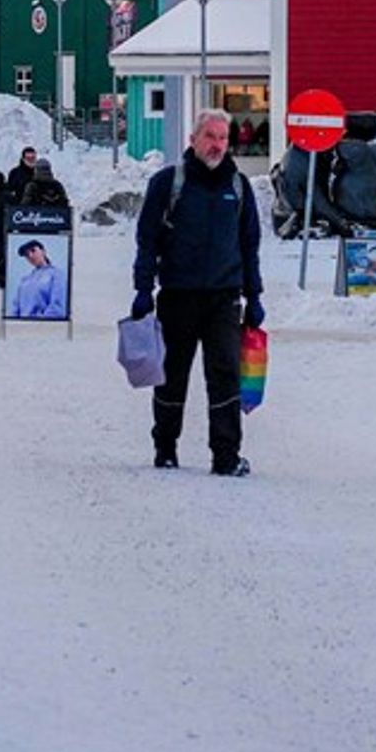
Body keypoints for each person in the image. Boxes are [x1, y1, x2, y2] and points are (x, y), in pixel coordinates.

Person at [129, 110, 264, 478]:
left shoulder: (237, 187)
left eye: (223, 137)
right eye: (210, 136)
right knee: (172, 375)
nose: (217, 144)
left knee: (225, 376)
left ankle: (226, 455)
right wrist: (143, 289)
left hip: (224, 298)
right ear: (193, 139)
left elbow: (249, 244)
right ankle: (166, 447)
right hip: (178, 295)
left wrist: (254, 296)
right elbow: (147, 241)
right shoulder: (167, 184)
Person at [10, 239, 67, 319]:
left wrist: (39, 322)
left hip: (43, 326)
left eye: (33, 251)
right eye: (27, 255)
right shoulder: (25, 280)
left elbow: (57, 307)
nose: (30, 256)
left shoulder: (56, 275)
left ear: (43, 251)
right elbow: (15, 307)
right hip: (21, 327)